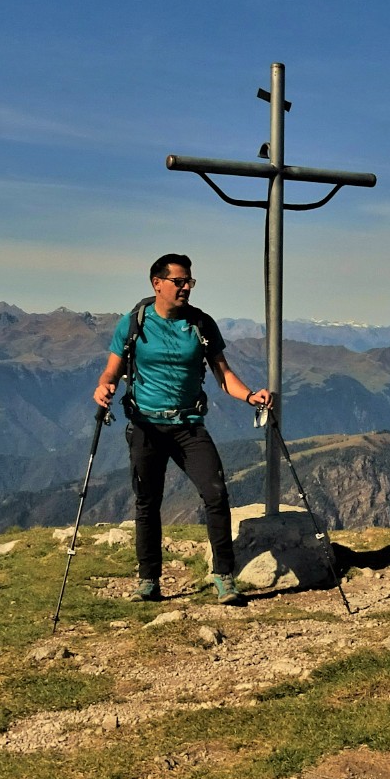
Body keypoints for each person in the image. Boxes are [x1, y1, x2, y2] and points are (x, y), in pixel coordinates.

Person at [93, 254, 271, 604]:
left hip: (189, 425)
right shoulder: (133, 323)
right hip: (146, 426)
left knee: (216, 493)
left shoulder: (201, 324)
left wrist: (250, 395)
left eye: (190, 281)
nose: (186, 287)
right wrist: (103, 388)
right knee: (147, 502)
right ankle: (149, 581)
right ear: (157, 283)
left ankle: (224, 577)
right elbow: (111, 371)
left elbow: (223, 375)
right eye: (179, 281)